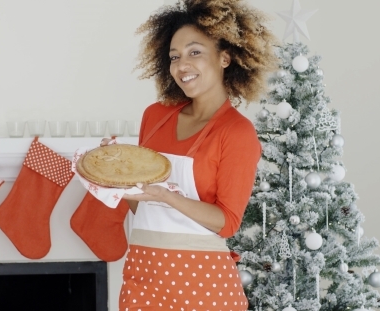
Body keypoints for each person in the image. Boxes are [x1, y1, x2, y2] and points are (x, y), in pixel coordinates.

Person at [75, 1, 278, 310]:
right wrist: (116, 174)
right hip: (143, 275)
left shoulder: (236, 132)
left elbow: (227, 223)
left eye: (195, 52)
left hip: (202, 282)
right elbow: (141, 208)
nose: (183, 65)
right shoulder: (155, 116)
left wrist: (169, 196)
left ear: (225, 57)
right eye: (174, 56)